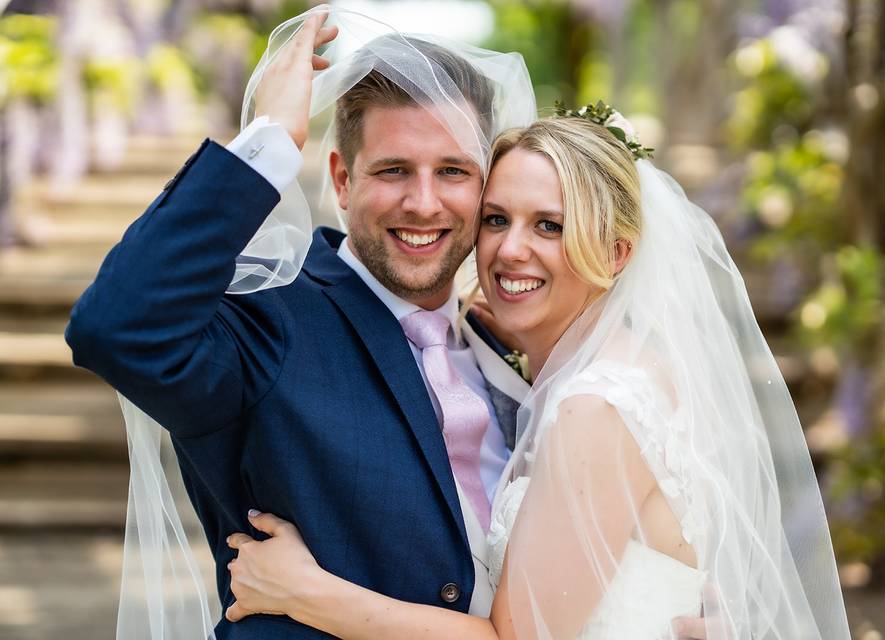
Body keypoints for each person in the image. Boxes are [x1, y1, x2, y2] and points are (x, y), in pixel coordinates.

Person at [220, 113, 852, 637]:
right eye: (497, 219)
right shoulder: (606, 366)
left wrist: (305, 592)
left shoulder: (595, 408)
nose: (510, 249)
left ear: (615, 253)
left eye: (549, 225)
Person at [65, 8, 541, 639]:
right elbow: (115, 328)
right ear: (342, 179)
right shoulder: (268, 320)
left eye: (452, 171)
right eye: (394, 169)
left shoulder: (498, 343)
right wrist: (269, 140)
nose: (424, 202)